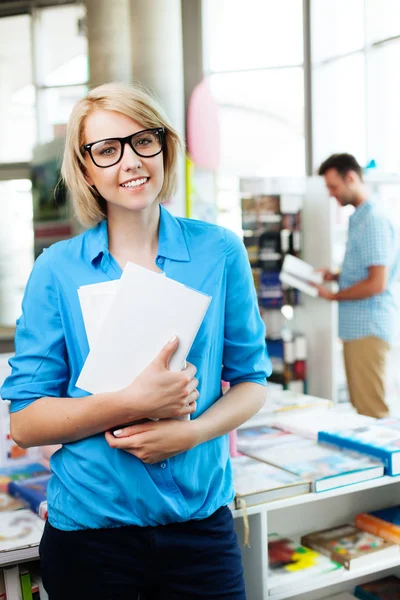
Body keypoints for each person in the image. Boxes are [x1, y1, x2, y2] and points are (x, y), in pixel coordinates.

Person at [0, 81, 271, 600]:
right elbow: (25, 422)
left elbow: (253, 381)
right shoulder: (57, 270)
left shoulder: (220, 253)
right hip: (91, 536)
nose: (131, 162)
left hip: (199, 529)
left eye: (143, 140)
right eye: (107, 150)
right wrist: (131, 402)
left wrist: (191, 433)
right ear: (85, 169)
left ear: (164, 146)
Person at [316, 153, 399, 418]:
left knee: (371, 410)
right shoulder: (360, 218)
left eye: (333, 187)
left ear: (350, 177)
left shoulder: (372, 219)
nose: (331, 194)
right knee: (362, 408)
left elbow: (377, 282)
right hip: (358, 329)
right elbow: (366, 269)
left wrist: (335, 296)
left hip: (368, 328)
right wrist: (336, 276)